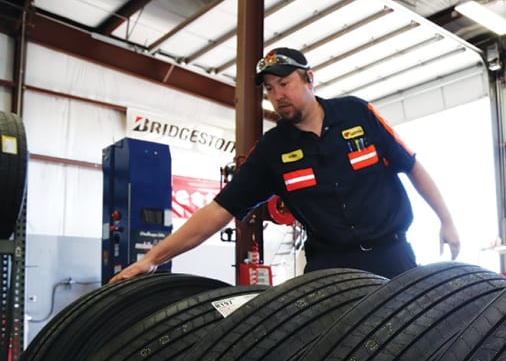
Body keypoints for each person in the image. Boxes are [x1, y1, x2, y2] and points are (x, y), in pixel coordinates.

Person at [110, 47, 460, 282]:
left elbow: (411, 165)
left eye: (285, 83)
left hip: (393, 256)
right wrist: (151, 259)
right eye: (269, 89)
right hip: (330, 269)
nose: (277, 95)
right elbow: (219, 210)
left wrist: (446, 220)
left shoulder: (358, 113)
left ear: (310, 79)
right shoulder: (272, 151)